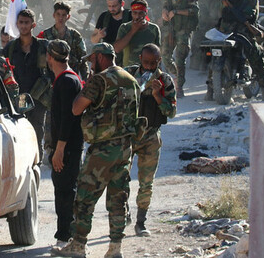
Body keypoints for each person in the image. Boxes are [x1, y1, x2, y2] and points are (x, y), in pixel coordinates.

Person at [54, 43, 141, 258]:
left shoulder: (100, 80)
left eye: (92, 60)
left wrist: (88, 84)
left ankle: (78, 245)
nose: (91, 65)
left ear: (101, 57)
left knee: (84, 198)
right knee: (118, 199)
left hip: (102, 150)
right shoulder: (131, 80)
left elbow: (76, 108)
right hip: (125, 148)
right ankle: (115, 248)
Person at [124, 44, 176, 237]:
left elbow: (171, 111)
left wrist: (157, 96)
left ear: (159, 61)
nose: (148, 66)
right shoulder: (129, 74)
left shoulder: (164, 81)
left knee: (146, 182)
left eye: (153, 63)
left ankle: (141, 222)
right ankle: (123, 213)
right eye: (146, 62)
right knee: (121, 178)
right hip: (129, 135)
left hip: (151, 136)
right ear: (140, 59)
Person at [47, 40, 85, 251]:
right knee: (65, 190)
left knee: (65, 193)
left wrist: (59, 149)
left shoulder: (67, 82)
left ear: (49, 57)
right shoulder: (67, 79)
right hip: (68, 146)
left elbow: (67, 119)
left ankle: (66, 237)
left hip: (67, 148)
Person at [5, 9, 53, 159]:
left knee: (36, 133)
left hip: (38, 98)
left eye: (27, 23)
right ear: (17, 24)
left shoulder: (43, 47)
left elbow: (52, 71)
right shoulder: (11, 48)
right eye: (21, 22)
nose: (24, 26)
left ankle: (36, 163)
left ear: (33, 25)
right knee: (18, 133)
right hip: (18, 98)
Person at [218, 0, 264, 101]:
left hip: (225, 34)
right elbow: (253, 17)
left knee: (217, 57)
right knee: (258, 60)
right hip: (244, 34)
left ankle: (210, 92)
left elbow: (221, 16)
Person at [161, 0, 199, 97]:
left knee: (180, 58)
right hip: (171, 26)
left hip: (184, 27)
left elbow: (194, 10)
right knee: (165, 55)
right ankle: (176, 76)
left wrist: (176, 12)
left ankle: (179, 87)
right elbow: (166, 4)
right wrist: (164, 12)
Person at [41, 1, 89, 79]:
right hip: (51, 78)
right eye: (58, 14)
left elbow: (83, 59)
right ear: (54, 15)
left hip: (71, 77)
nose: (61, 18)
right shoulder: (46, 35)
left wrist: (85, 79)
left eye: (64, 15)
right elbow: (41, 59)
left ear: (68, 17)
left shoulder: (75, 35)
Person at [114, 0, 162, 67]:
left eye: (140, 13)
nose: (137, 16)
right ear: (131, 13)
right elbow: (117, 49)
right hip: (129, 69)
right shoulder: (125, 28)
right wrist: (133, 30)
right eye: (135, 13)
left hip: (148, 68)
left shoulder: (154, 28)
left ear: (146, 13)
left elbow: (157, 52)